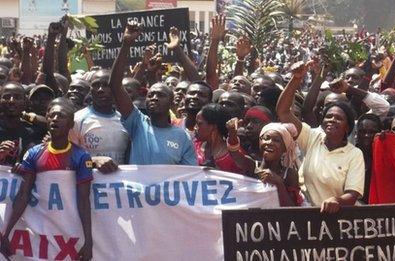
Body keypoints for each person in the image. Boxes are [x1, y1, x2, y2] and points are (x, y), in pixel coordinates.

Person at [0, 99, 93, 260]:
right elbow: (23, 195)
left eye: (61, 116)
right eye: (52, 115)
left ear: (71, 124)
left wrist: (89, 241)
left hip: (68, 229)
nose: (55, 118)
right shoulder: (34, 153)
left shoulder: (81, 156)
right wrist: (6, 233)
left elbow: (84, 201)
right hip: (41, 228)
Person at [276, 61, 365, 212]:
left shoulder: (354, 154)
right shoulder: (312, 137)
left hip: (338, 219)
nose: (332, 120)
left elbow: (352, 194)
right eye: (328, 116)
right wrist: (296, 79)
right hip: (308, 215)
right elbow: (283, 112)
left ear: (348, 127)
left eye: (338, 118)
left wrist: (336, 201)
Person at [108, 22, 197, 165]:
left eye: (161, 95)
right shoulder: (137, 122)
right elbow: (115, 86)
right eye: (151, 95)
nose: (154, 98)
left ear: (172, 102)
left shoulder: (182, 137)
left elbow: (190, 177)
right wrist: (126, 44)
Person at [226, 119, 303, 206]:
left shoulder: (289, 174)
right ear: (260, 142)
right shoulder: (251, 166)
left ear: (284, 149)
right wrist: (232, 133)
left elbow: (293, 210)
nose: (269, 143)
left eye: (276, 140)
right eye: (266, 138)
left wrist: (279, 184)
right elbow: (235, 154)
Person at [194, 103, 242, 173]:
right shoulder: (193, 147)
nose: (195, 127)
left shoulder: (234, 154)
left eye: (199, 124)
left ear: (213, 126)